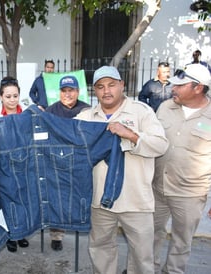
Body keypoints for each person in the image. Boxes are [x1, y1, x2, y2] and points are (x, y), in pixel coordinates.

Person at [75, 66, 169, 274]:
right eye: (100, 87)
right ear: (95, 91)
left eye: (111, 85)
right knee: (101, 250)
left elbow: (161, 145)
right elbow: (64, 142)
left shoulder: (141, 112)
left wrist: (130, 135)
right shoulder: (85, 117)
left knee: (142, 256)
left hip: (136, 201)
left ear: (121, 85)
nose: (106, 91)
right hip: (99, 201)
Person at [152, 64, 211, 274]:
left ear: (198, 88)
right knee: (149, 235)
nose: (173, 88)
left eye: (180, 85)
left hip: (190, 194)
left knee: (181, 243)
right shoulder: (166, 107)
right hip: (157, 188)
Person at [0, 76, 30, 252]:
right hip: (2, 164)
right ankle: (10, 234)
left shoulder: (26, 112)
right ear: (0, 96)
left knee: (23, 199)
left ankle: (22, 232)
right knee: (6, 199)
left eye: (15, 96)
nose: (12, 100)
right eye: (8, 96)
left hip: (24, 163)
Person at [46, 75, 90, 251]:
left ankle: (82, 224)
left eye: (71, 90)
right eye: (64, 91)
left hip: (80, 161)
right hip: (56, 161)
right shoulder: (50, 111)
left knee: (80, 196)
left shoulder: (87, 110)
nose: (67, 94)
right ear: (60, 93)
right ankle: (57, 235)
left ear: (77, 92)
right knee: (57, 199)